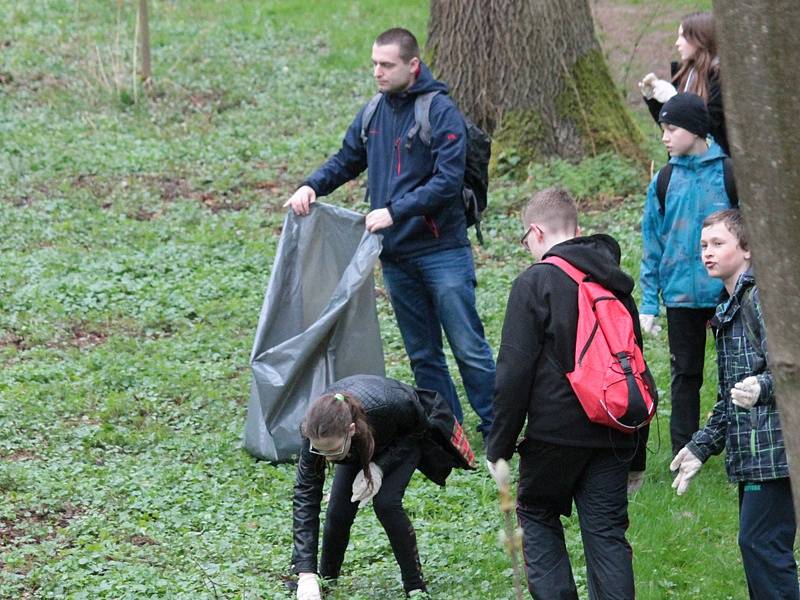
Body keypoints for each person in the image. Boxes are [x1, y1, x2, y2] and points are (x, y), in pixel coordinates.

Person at [284, 28, 495, 440]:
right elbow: (347, 159)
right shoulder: (373, 113)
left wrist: (394, 211)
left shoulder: (440, 111)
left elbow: (448, 182)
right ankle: (447, 434)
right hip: (396, 256)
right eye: (374, 64)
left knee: (469, 348)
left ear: (412, 66)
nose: (377, 72)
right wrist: (311, 185)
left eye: (387, 65)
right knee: (422, 355)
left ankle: (497, 433)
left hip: (442, 252)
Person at [486, 188, 650, 599]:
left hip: (553, 437)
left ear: (536, 232)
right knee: (607, 535)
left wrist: (499, 449)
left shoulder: (534, 282)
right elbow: (636, 371)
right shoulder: (615, 285)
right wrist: (638, 457)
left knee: (538, 516)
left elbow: (513, 373)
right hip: (615, 432)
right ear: (577, 230)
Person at [671, 209, 798, 600]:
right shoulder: (729, 306)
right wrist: (699, 447)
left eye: (718, 243)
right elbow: (730, 399)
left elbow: (791, 364)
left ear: (747, 249)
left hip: (779, 454)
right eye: (704, 245)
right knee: (759, 548)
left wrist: (763, 386)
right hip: (756, 457)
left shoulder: (762, 297)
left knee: (760, 545)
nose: (707, 252)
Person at [291, 374, 476, 599]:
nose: (327, 459)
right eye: (321, 451)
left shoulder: (390, 405)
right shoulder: (314, 431)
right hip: (357, 445)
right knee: (339, 510)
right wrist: (306, 573)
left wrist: (379, 467)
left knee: (386, 503)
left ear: (350, 430)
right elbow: (305, 495)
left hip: (405, 434)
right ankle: (326, 580)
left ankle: (415, 587)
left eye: (332, 451)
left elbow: (417, 431)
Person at [639, 92, 733, 457]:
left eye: (671, 128)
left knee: (736, 373)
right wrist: (649, 302)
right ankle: (685, 451)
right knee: (685, 376)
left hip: (727, 293)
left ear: (695, 130)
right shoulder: (663, 180)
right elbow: (652, 243)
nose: (664, 136)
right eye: (663, 128)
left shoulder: (728, 174)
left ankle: (736, 447)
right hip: (678, 295)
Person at [639, 11, 729, 156]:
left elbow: (709, 127)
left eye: (682, 36)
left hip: (712, 168)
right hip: (681, 166)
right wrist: (653, 99)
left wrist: (674, 99)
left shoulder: (720, 77)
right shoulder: (684, 74)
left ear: (700, 38)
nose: (677, 43)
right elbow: (672, 128)